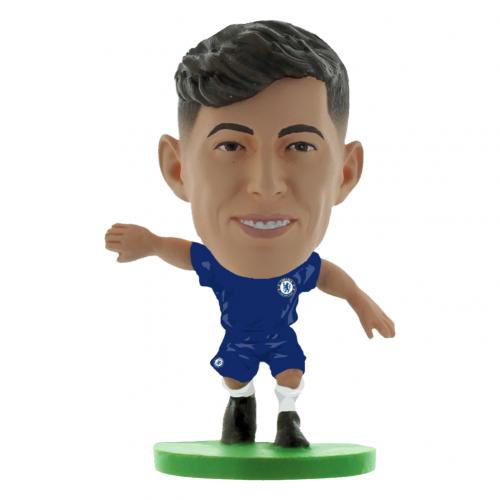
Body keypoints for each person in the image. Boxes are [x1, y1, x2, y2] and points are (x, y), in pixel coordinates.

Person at [104, 20, 396, 448]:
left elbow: (330, 277)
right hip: (238, 339)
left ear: (345, 173)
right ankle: (241, 405)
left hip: (280, 338)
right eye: (231, 146)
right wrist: (149, 244)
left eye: (299, 146)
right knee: (234, 377)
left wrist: (360, 300)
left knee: (291, 372)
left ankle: (288, 419)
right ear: (178, 169)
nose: (265, 185)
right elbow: (181, 252)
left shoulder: (302, 270)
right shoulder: (216, 265)